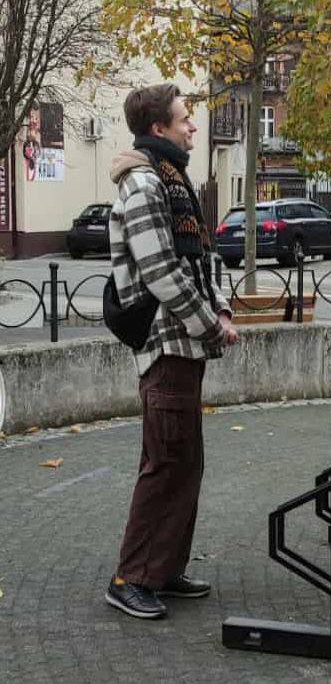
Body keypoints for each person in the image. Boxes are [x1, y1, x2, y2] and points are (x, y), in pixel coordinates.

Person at [105, 83, 238, 620]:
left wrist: (221, 309)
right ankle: (130, 578)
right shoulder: (144, 184)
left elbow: (201, 260)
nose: (193, 126)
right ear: (158, 127)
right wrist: (211, 326)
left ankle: (162, 569)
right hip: (165, 345)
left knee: (185, 463)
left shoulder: (174, 179)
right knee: (165, 464)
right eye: (185, 119)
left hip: (184, 345)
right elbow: (161, 271)